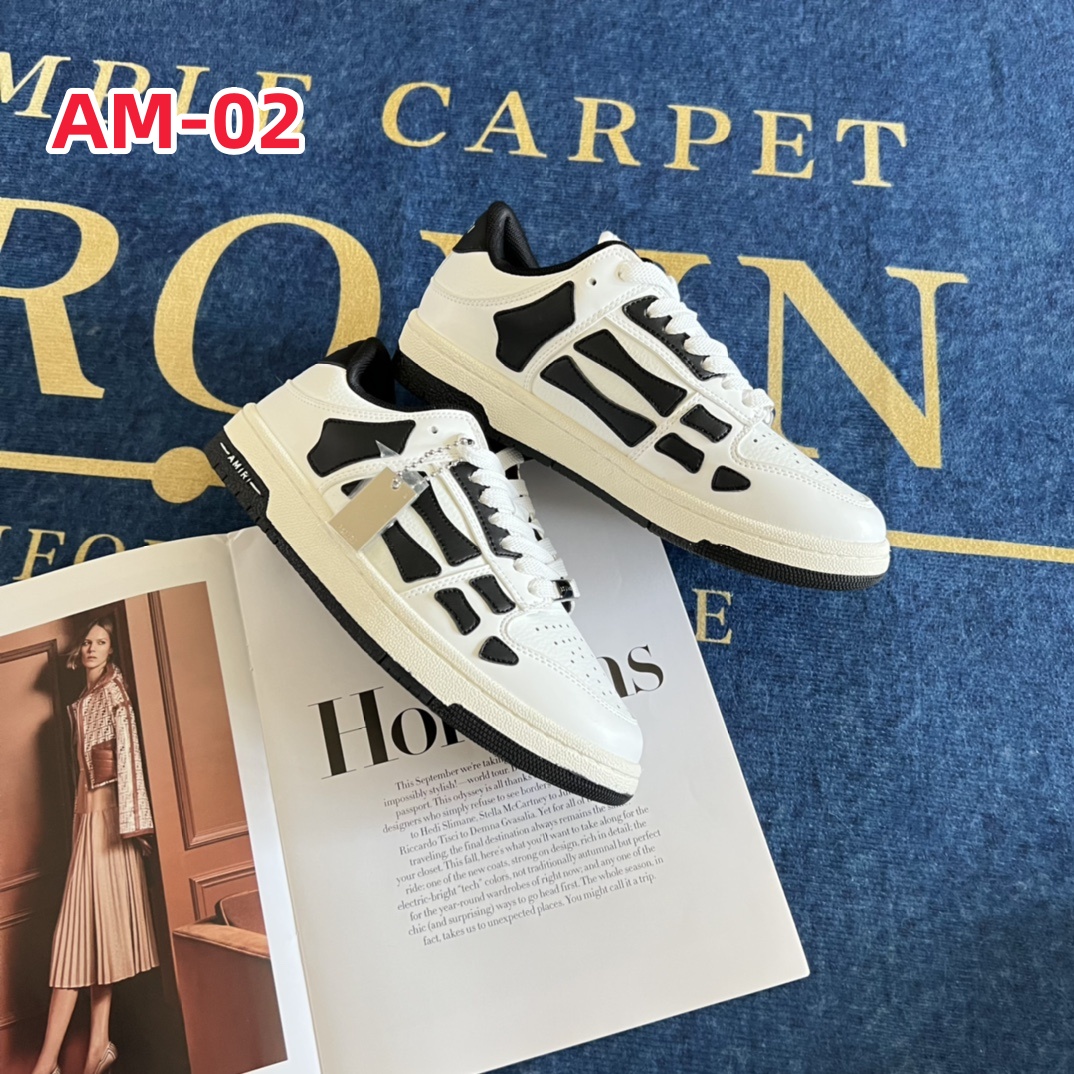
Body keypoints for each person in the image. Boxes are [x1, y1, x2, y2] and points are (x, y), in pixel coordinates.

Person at [31, 615, 158, 1074]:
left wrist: (132, 825)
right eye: (86, 641)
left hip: (110, 830)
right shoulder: (85, 699)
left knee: (80, 942)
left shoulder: (114, 695)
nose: (90, 648)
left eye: (99, 642)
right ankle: (97, 1048)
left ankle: (47, 1065)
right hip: (85, 825)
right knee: (95, 940)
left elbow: (130, 760)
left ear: (110, 650)